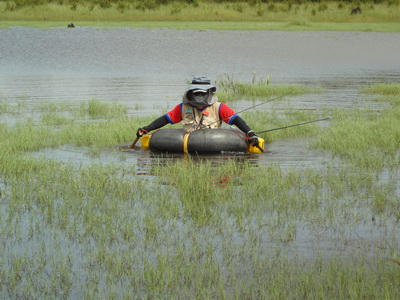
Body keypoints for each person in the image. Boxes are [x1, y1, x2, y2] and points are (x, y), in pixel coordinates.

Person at [136, 76, 259, 146]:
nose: (199, 96)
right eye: (196, 93)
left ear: (209, 94)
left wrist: (251, 133)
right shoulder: (182, 107)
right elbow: (165, 119)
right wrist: (146, 128)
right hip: (188, 141)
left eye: (202, 93)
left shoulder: (219, 107)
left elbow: (236, 120)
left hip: (214, 143)